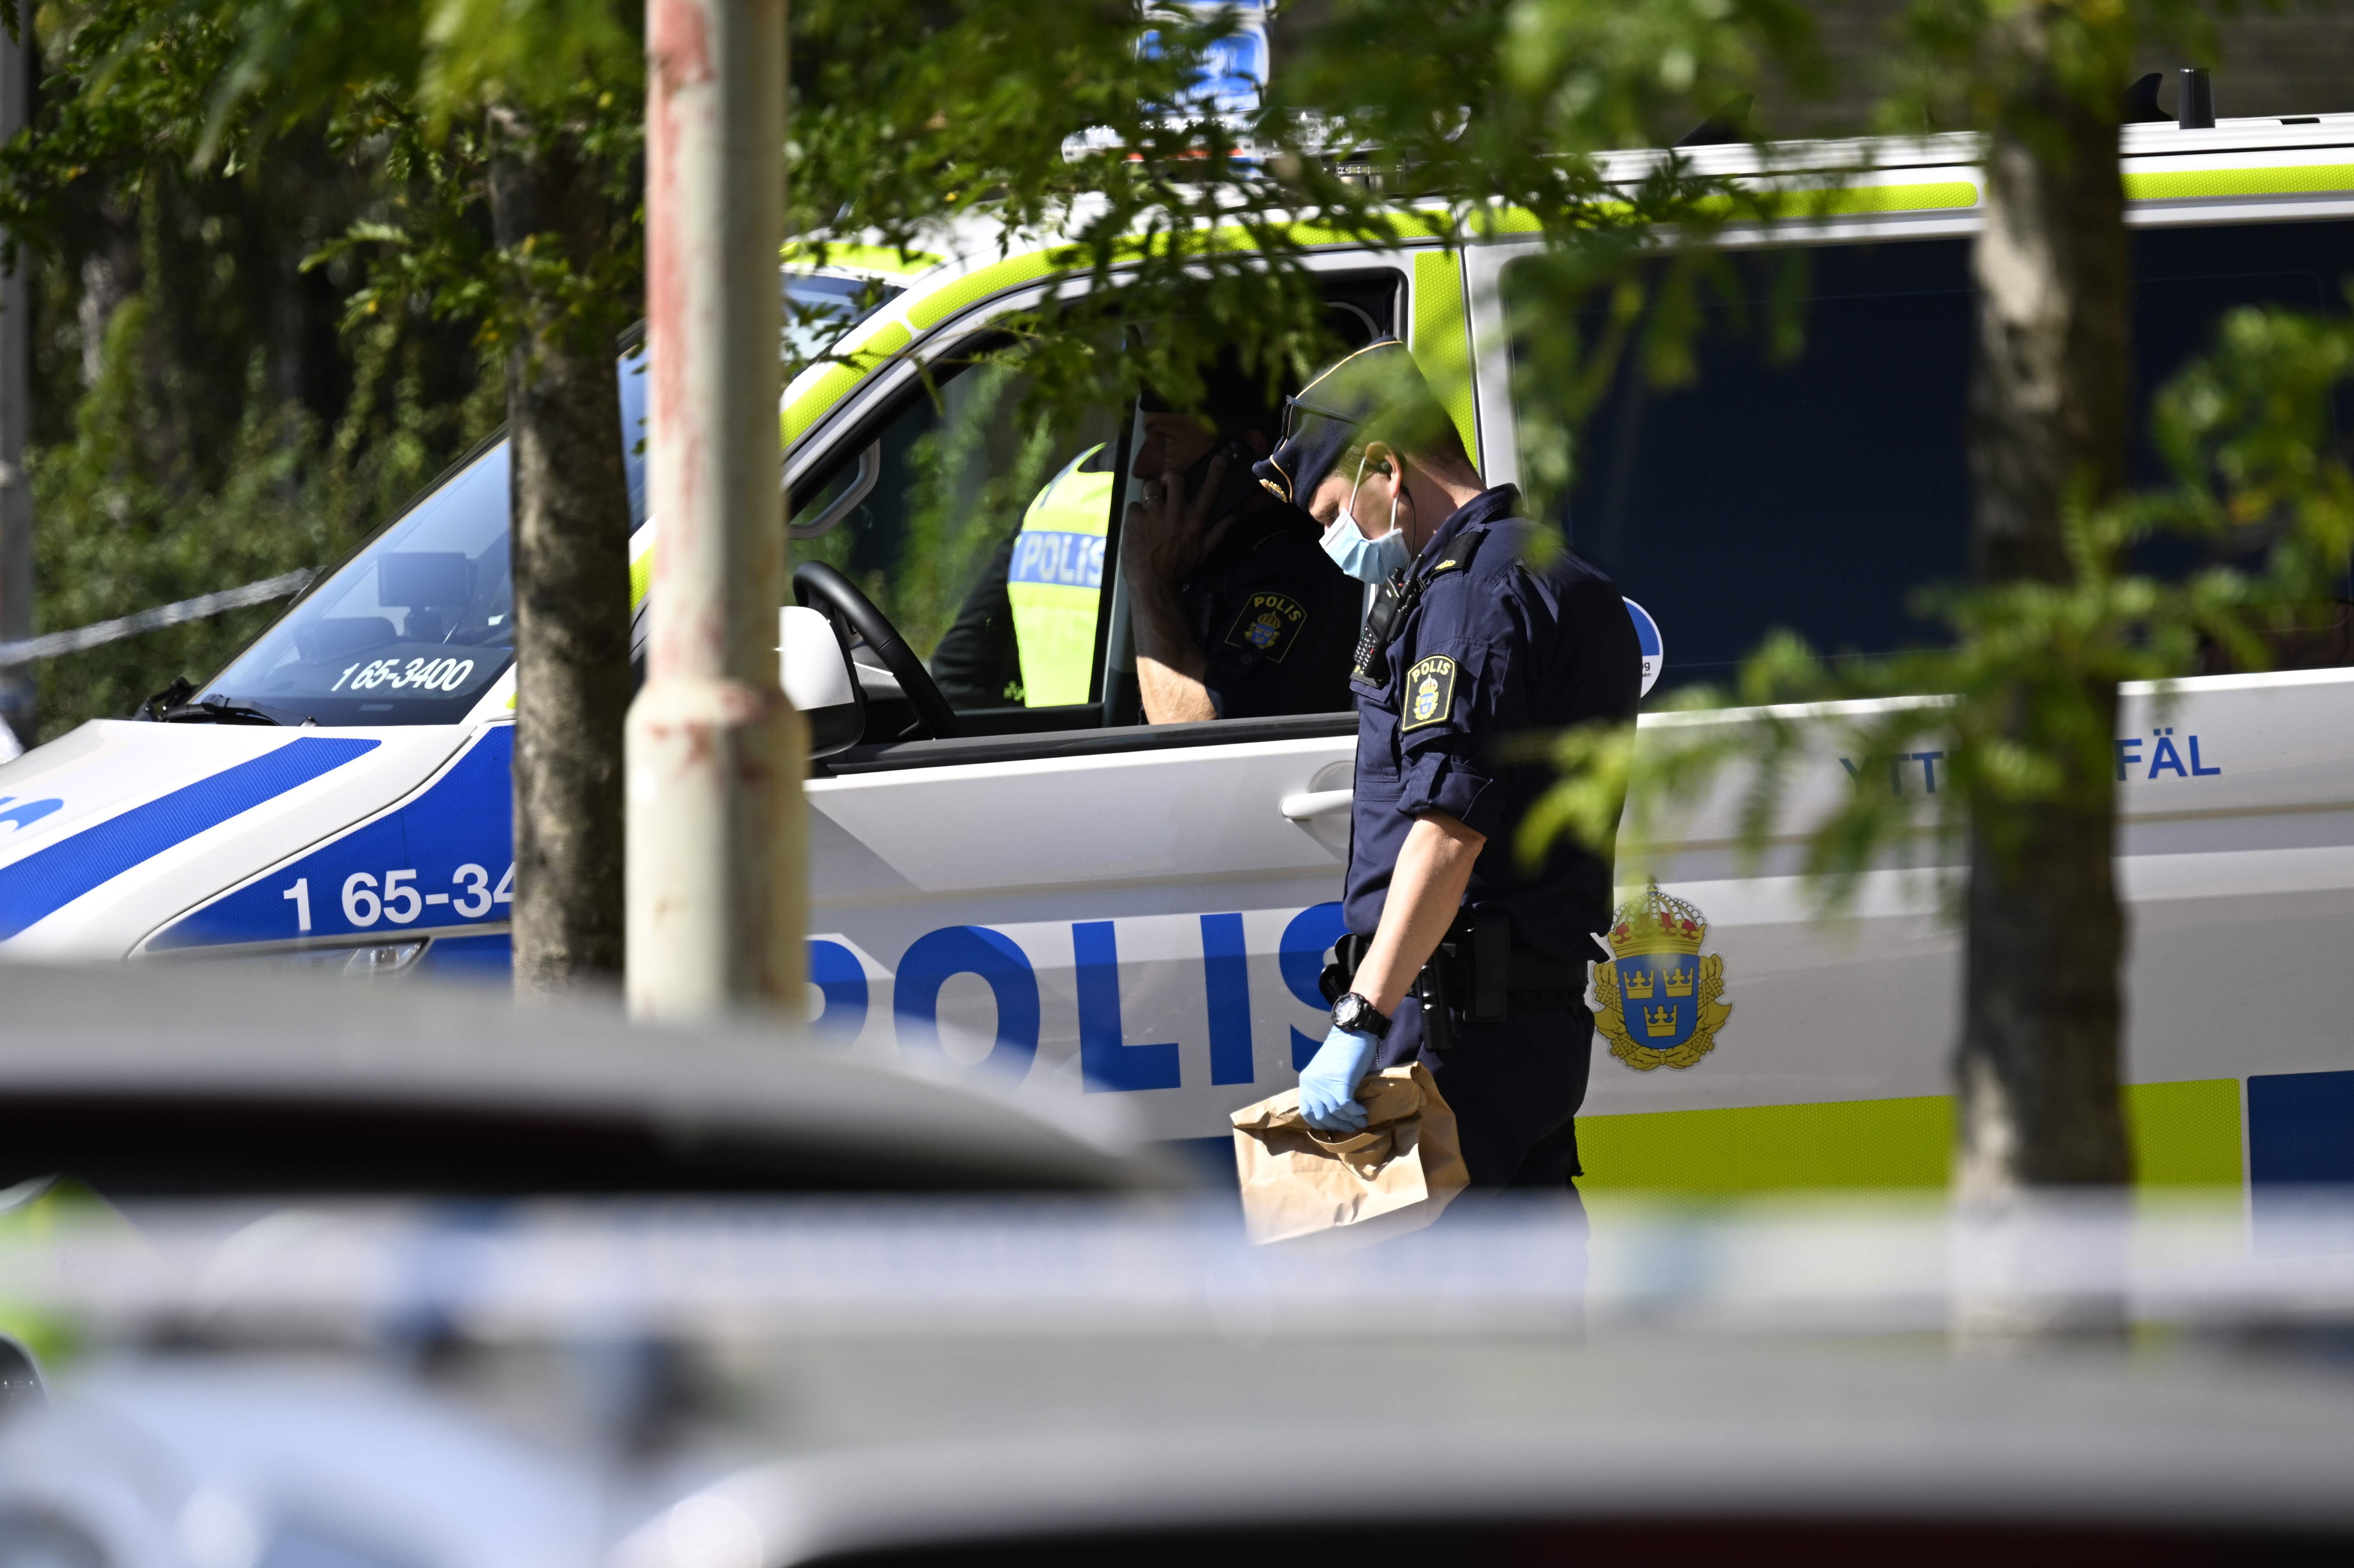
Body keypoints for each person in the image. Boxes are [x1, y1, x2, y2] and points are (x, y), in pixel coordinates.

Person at [1262, 338, 1640, 1192]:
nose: (1331, 541)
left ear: (1383, 468)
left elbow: (1447, 834)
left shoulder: (1469, 595)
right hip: (1521, 1018)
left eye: (1329, 515)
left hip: (1453, 1020)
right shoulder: (1554, 575)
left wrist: (1363, 1015)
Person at [1119, 355, 1360, 724]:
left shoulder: (1293, 570)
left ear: (1241, 453)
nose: (1141, 465)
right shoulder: (1211, 554)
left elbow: (1192, 735)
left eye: (1164, 440)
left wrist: (1148, 579)